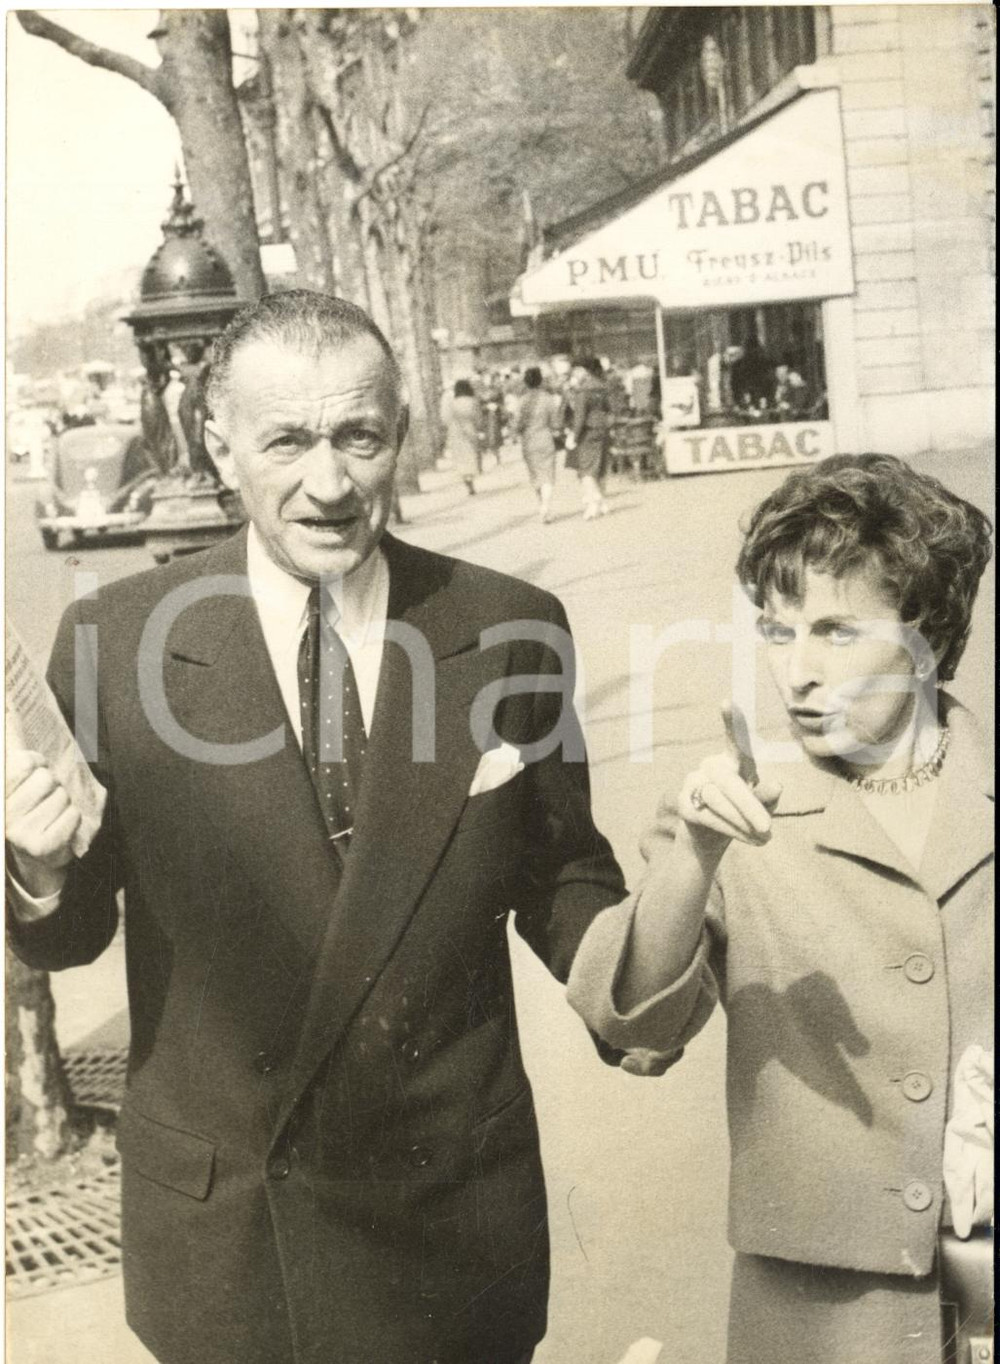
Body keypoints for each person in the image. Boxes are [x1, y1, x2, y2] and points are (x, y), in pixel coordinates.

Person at [5, 291, 627, 1364]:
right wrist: (35, 863)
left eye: (359, 436)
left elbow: (563, 870)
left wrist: (647, 958)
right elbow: (66, 935)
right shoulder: (113, 640)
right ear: (219, 443)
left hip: (447, 1224)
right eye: (287, 439)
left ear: (401, 430)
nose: (329, 482)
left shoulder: (508, 625)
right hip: (234, 1237)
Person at [568, 454, 993, 1363]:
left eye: (837, 632)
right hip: (820, 1321)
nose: (796, 672)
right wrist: (695, 855)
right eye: (776, 629)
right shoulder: (736, 809)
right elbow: (633, 1023)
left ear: (927, 635)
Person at [564, 356, 612, 521]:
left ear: (583, 370)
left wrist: (573, 437)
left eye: (577, 371)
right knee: (600, 467)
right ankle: (602, 503)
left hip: (588, 431)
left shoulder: (583, 391)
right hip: (603, 429)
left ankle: (595, 501)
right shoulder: (602, 386)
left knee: (585, 469)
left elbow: (580, 418)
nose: (575, 374)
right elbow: (608, 408)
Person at [512, 365, 560, 523]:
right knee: (548, 474)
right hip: (545, 438)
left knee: (535, 475)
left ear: (525, 382)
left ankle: (542, 504)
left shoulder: (522, 401)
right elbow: (555, 423)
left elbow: (517, 424)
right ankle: (546, 506)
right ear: (540, 381)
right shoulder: (548, 399)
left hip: (529, 441)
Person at [443, 376, 482, 495]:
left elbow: (446, 419)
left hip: (456, 432)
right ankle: (471, 477)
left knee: (460, 457)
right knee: (471, 454)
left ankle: (467, 481)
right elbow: (478, 418)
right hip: (470, 430)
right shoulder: (473, 401)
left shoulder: (452, 403)